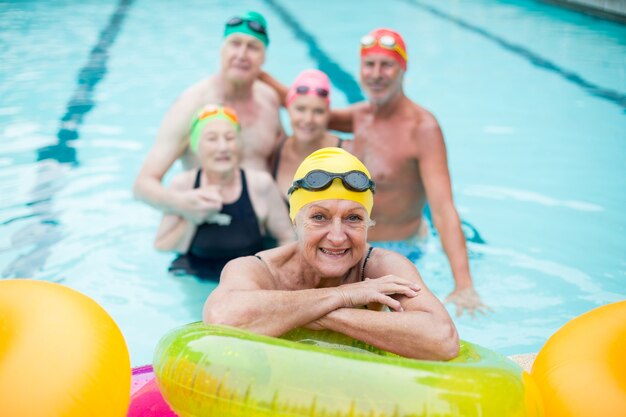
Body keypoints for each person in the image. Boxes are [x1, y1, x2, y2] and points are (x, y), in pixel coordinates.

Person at [261, 29, 489, 318]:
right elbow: (305, 107)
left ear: (403, 69)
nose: (376, 73)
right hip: (346, 246)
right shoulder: (359, 116)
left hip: (401, 250)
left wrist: (464, 284)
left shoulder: (422, 128)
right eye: (370, 65)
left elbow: (443, 210)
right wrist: (258, 73)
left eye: (387, 65)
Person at [203, 147, 459, 360]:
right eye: (319, 217)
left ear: (369, 224)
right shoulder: (257, 269)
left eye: (353, 218)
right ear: (295, 222)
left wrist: (321, 314)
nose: (337, 237)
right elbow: (222, 317)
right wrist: (344, 295)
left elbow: (443, 340)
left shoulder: (381, 268)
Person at [133, 11, 283, 227]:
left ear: (264, 57)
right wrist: (183, 204)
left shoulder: (268, 100)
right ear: (222, 49)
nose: (242, 54)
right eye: (235, 43)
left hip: (263, 230)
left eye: (253, 47)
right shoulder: (191, 105)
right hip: (209, 232)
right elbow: (142, 185)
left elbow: (281, 157)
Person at [154, 105, 294, 280]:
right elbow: (162, 245)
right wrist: (193, 218)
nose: (222, 147)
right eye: (212, 139)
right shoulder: (184, 185)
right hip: (195, 277)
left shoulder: (260, 185)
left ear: (240, 143)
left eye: (229, 138)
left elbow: (288, 238)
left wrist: (272, 276)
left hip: (248, 281)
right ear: (197, 146)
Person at [271, 69, 344, 199]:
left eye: (318, 111)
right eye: (300, 109)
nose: (308, 119)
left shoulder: (345, 154)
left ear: (328, 114)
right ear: (288, 109)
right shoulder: (274, 152)